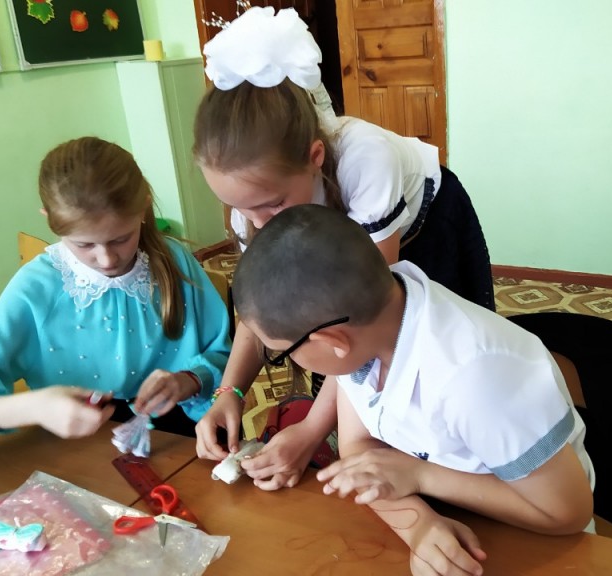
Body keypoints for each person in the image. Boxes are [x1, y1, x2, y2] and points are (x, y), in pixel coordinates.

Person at [192, 7, 495, 491]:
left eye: (271, 204)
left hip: (423, 229)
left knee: (432, 360)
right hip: (340, 248)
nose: (257, 223)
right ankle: (366, 447)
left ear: (315, 158)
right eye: (239, 207)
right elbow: (259, 307)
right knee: (338, 360)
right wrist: (230, 391)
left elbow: (365, 317)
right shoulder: (254, 208)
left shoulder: (366, 161)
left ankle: (459, 469)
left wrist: (312, 429)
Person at [231, 204, 595, 575]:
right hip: (449, 511)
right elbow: (360, 451)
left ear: (332, 341)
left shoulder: (472, 379)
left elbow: (567, 512)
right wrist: (418, 524)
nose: (287, 360)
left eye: (282, 353)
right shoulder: (369, 325)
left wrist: (420, 475)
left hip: (539, 531)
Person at [0, 137, 232, 453]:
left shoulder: (174, 262)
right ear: (50, 221)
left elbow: (227, 359)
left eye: (121, 239)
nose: (107, 260)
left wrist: (189, 380)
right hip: (75, 446)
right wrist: (34, 407)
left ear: (143, 208)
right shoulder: (35, 289)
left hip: (181, 436)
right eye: (84, 245)